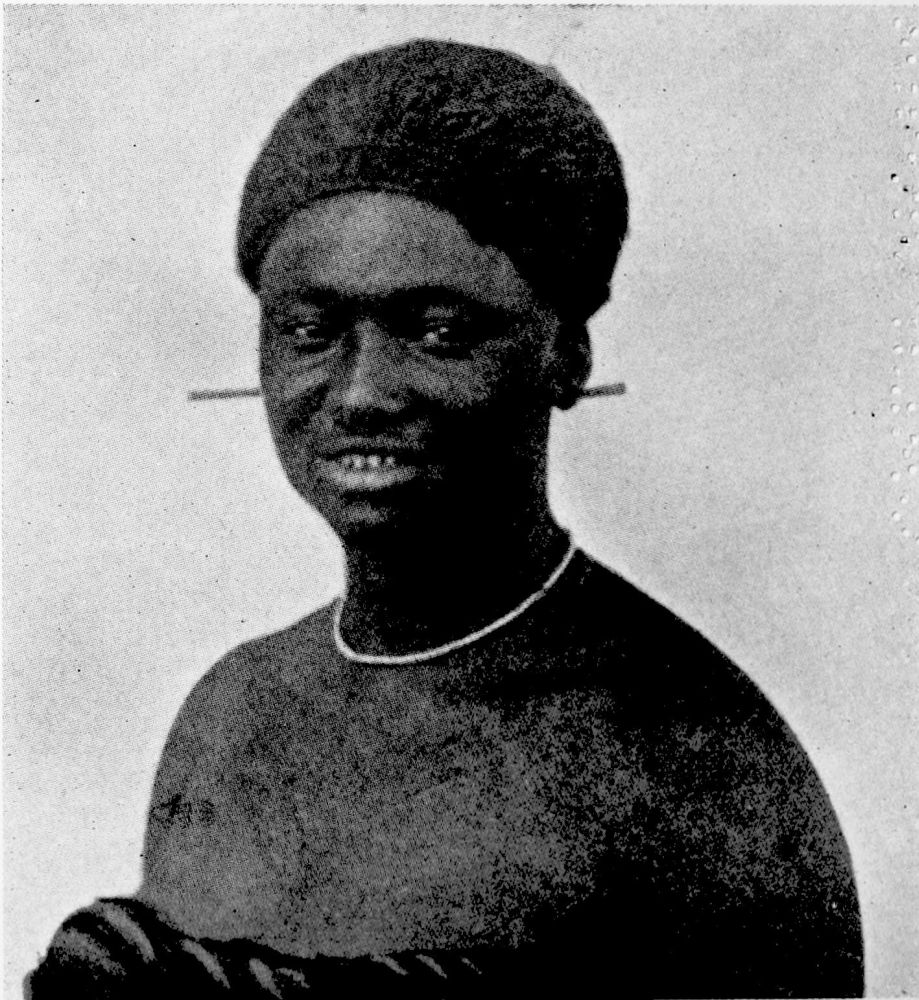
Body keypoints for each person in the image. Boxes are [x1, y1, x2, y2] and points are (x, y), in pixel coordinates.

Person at [27, 38, 863, 998]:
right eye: (309, 331)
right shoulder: (233, 715)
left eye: (438, 332)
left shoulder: (695, 759)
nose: (361, 393)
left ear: (567, 355)